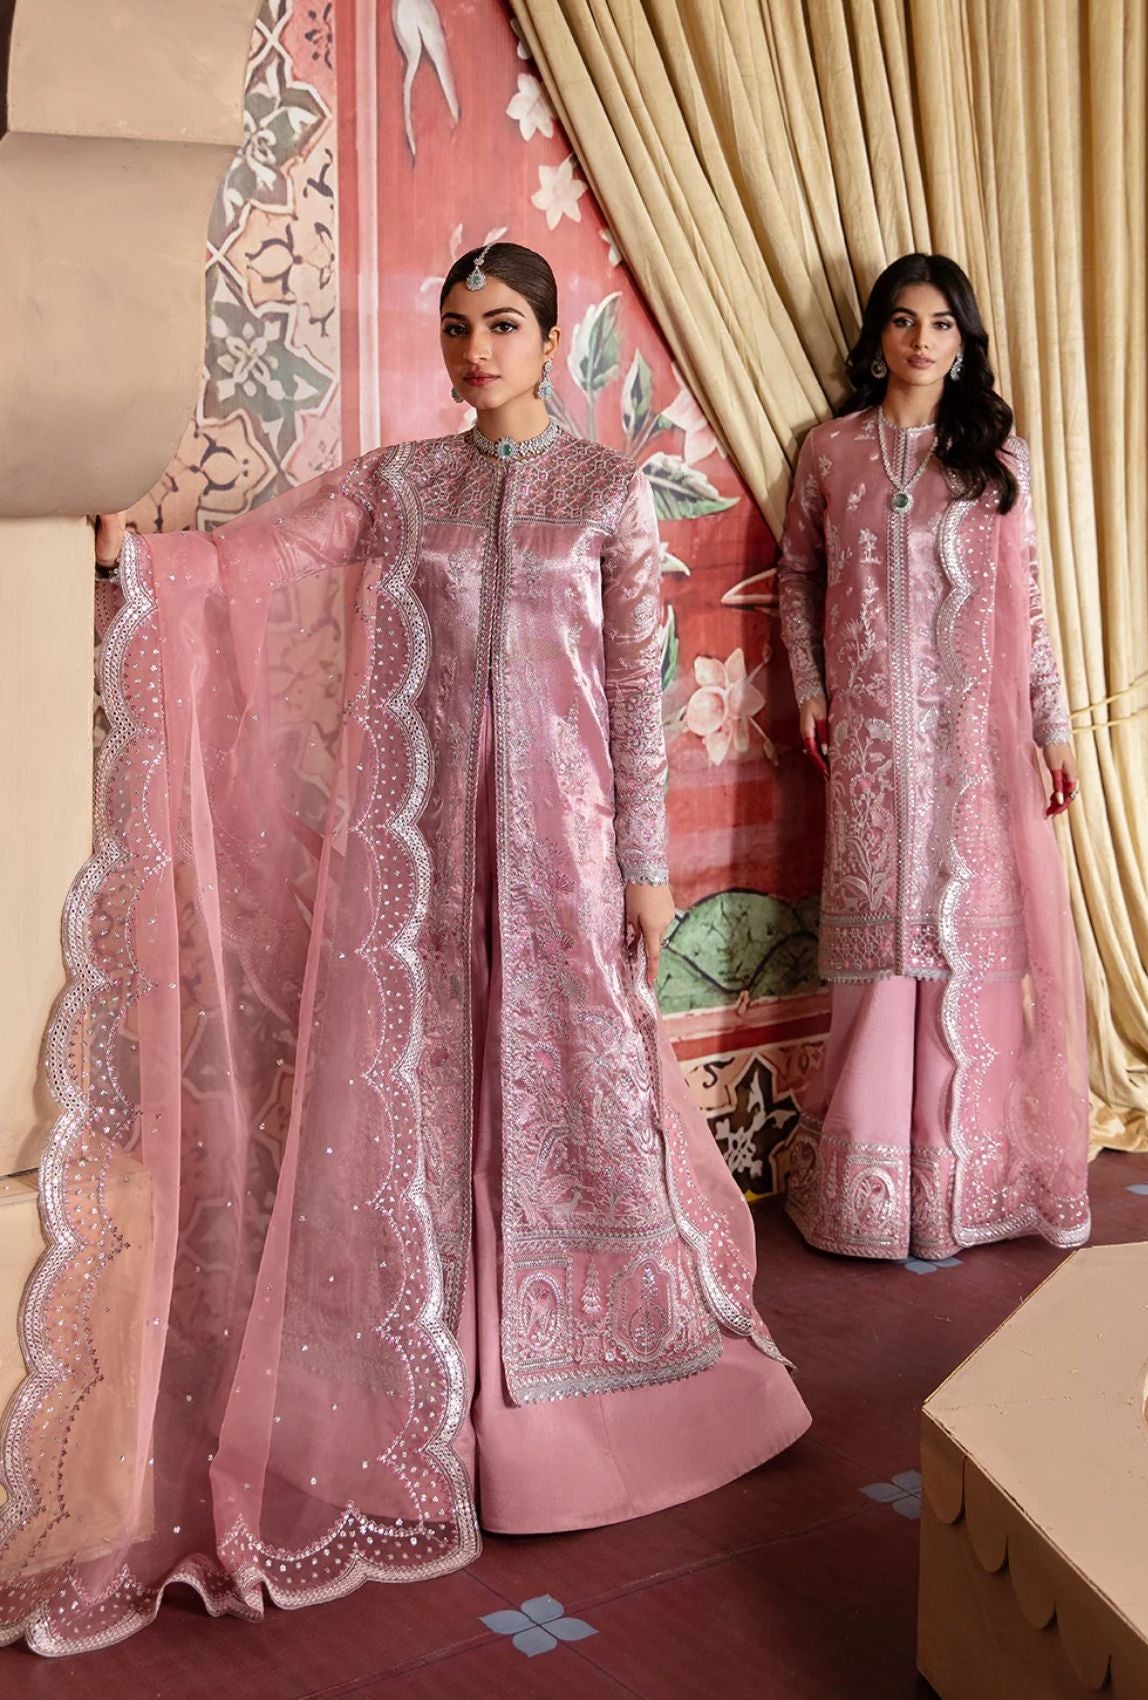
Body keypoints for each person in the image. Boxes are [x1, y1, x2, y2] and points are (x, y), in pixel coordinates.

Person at [0, 242, 808, 1655]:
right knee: (429, 1095)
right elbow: (261, 557)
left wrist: (645, 870)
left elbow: (636, 694)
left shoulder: (603, 492)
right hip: (424, 855)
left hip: (562, 858)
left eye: (501, 325)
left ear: (547, 340)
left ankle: (595, 1383)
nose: (475, 350)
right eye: (456, 327)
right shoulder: (400, 486)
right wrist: (145, 559)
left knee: (572, 1100)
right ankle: (435, 1387)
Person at [778, 253, 1090, 1263]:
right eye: (905, 320)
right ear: (878, 336)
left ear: (964, 342)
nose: (922, 340)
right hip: (871, 745)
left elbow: (1027, 608)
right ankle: (873, 1192)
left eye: (942, 324)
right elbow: (798, 577)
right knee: (881, 948)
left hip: (973, 746)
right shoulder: (832, 451)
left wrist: (1051, 728)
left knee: (968, 950)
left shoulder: (998, 458)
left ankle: (971, 1185)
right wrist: (812, 688)